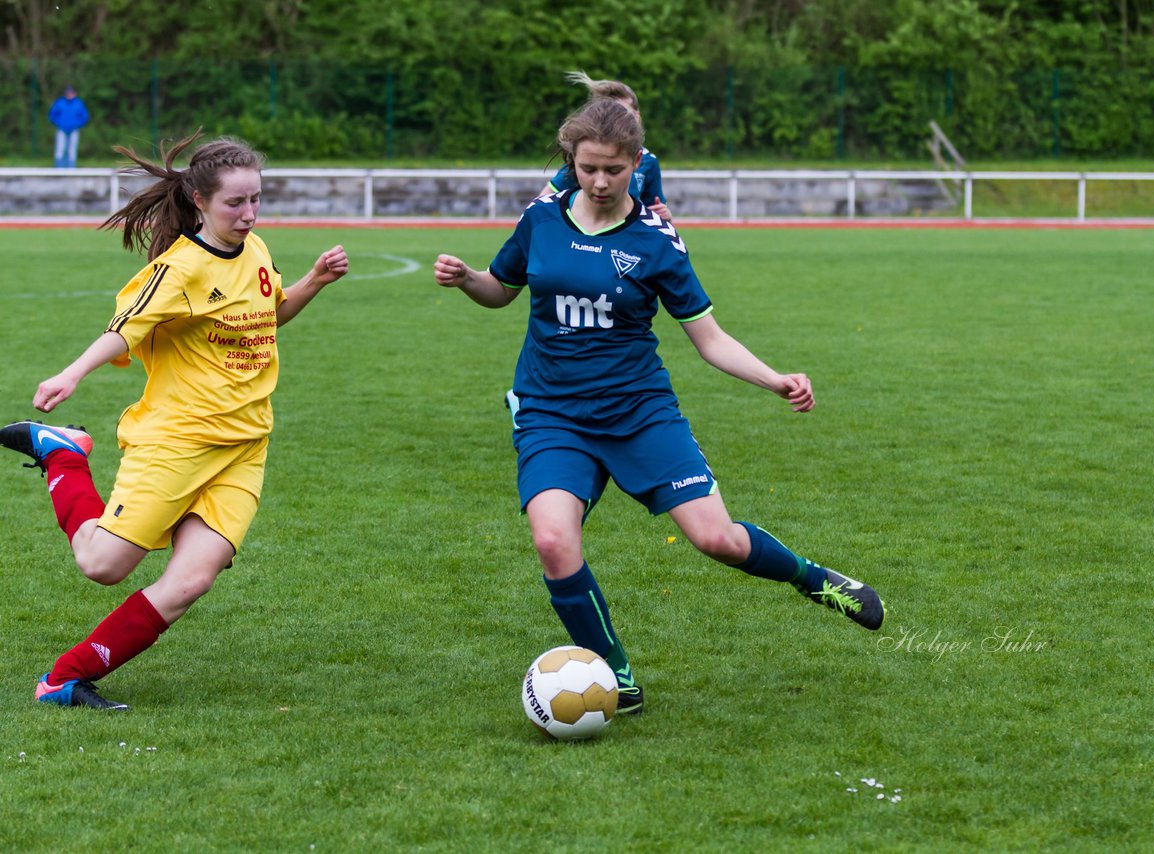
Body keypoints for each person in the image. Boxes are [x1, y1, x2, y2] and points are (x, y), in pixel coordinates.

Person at [435, 99, 882, 716]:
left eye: (613, 170)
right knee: (553, 541)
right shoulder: (540, 218)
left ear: (636, 164)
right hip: (552, 412)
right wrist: (467, 280)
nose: (597, 181)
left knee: (718, 540)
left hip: (639, 412)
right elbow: (500, 289)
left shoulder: (656, 241)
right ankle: (616, 677)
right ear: (571, 160)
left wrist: (774, 379)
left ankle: (815, 580)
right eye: (587, 167)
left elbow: (710, 339)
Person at [0, 131, 349, 711]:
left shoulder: (258, 251)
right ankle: (63, 453)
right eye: (235, 203)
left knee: (191, 581)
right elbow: (124, 328)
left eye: (256, 199)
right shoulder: (179, 269)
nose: (249, 213)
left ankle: (65, 678)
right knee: (102, 564)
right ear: (198, 199)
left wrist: (312, 281)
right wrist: (73, 373)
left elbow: (267, 317)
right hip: (177, 441)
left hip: (243, 448)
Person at [540, 71, 672, 221]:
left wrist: (664, 217)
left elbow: (655, 212)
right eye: (590, 170)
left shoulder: (649, 162)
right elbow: (543, 202)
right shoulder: (587, 158)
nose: (601, 183)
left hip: (626, 238)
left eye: (614, 170)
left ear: (637, 117)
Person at [49, 85, 90, 168]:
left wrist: (77, 125)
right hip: (61, 129)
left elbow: (85, 117)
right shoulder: (60, 102)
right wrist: (59, 123)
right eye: (68, 93)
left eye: (71, 93)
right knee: (60, 148)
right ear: (65, 94)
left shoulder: (78, 103)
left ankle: (71, 168)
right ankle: (58, 168)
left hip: (74, 129)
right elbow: (52, 115)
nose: (69, 95)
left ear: (74, 94)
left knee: (72, 149)